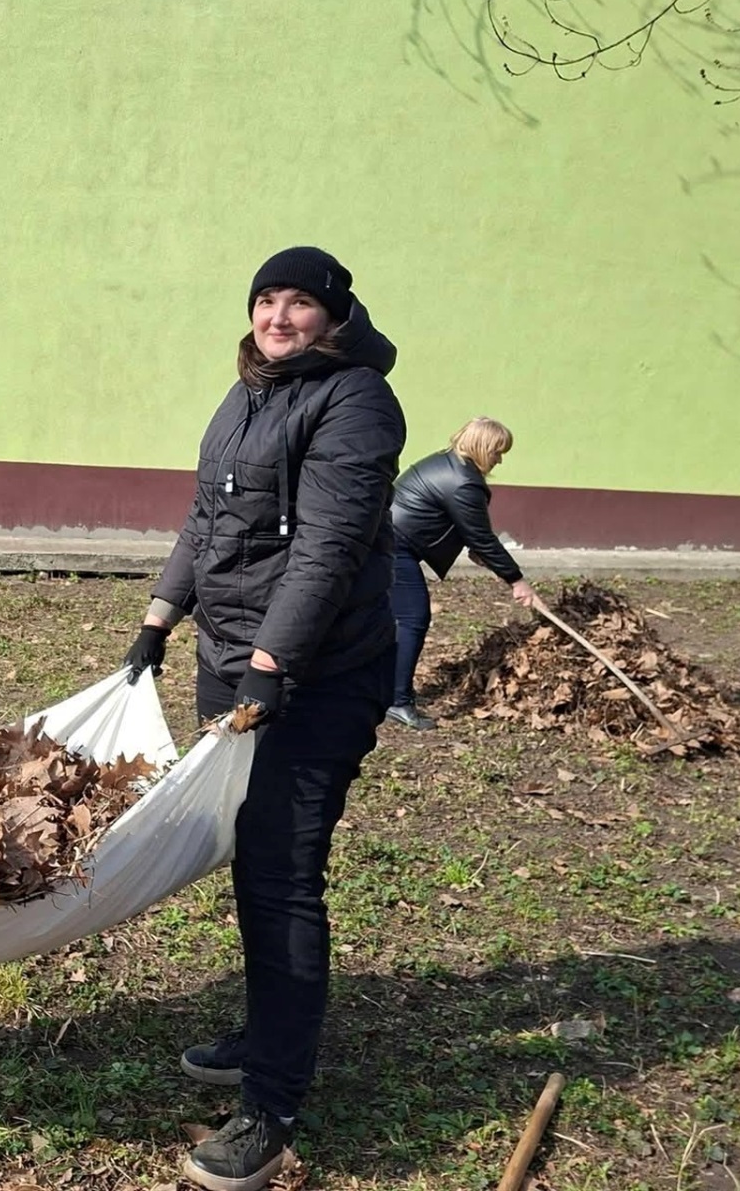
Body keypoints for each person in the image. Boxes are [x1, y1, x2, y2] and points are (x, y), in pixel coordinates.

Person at [121, 246, 405, 1191]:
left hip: (313, 676)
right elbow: (207, 517)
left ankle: (272, 1104)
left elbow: (326, 545)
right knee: (252, 855)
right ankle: (263, 1030)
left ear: (335, 315)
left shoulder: (356, 401)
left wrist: (274, 664)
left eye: (300, 304)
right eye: (267, 299)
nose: (279, 316)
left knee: (285, 873)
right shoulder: (247, 388)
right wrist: (159, 619)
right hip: (231, 658)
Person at [385, 417, 537, 730]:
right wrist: (517, 580)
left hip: (387, 538)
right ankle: (397, 701)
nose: (500, 458)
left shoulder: (450, 464)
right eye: (497, 451)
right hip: (393, 546)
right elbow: (481, 536)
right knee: (413, 618)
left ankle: (382, 689)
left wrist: (479, 551)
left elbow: (456, 524)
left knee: (389, 618)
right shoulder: (464, 482)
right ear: (482, 448)